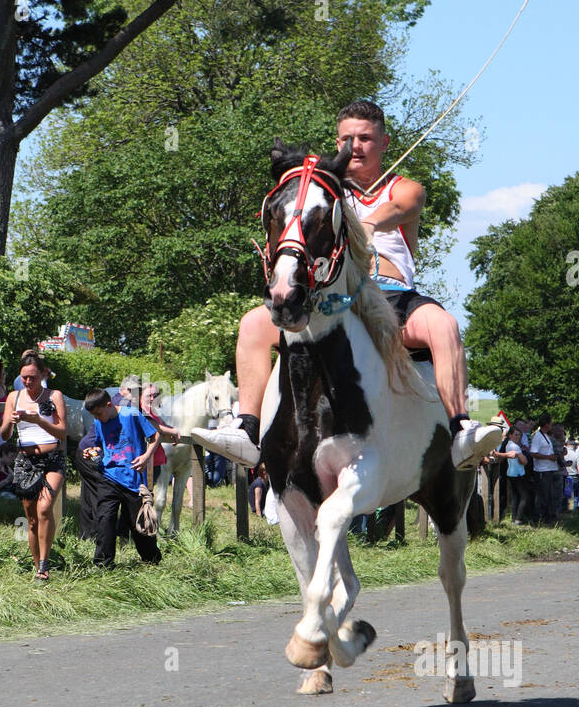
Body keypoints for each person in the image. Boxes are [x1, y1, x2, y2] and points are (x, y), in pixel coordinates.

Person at [190, 99, 502, 471]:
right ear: (336, 142)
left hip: (390, 296)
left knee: (444, 325)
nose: (355, 146)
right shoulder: (324, 188)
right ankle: (246, 429)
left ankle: (460, 428)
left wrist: (368, 223)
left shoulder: (405, 188)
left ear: (384, 143)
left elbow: (401, 208)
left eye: (366, 138)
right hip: (332, 297)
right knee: (253, 324)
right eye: (347, 139)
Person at [1, 353, 67, 580]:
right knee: (31, 519)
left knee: (45, 509)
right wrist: (11, 421)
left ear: (43, 374)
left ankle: (44, 566)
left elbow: (63, 433)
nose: (28, 382)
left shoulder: (54, 395)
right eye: (24, 378)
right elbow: (4, 434)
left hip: (52, 459)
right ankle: (36, 563)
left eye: (33, 378)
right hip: (25, 461)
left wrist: (38, 420)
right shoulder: (14, 397)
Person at [85, 388, 162, 568]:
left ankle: (152, 561)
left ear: (109, 405)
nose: (97, 418)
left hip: (133, 479)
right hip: (108, 476)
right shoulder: (98, 423)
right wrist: (92, 452)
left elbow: (156, 435)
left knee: (139, 524)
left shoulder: (131, 415)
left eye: (98, 413)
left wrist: (146, 457)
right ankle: (103, 565)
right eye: (94, 416)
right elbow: (98, 446)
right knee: (105, 518)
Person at [528, 414, 561, 525]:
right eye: (551, 423)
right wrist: (549, 457)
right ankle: (537, 519)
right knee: (542, 496)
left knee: (549, 495)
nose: (552, 425)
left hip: (549, 469)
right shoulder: (538, 437)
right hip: (542, 470)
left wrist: (554, 455)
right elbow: (533, 453)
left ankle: (547, 518)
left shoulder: (545, 436)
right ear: (547, 424)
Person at [497, 422, 530, 524]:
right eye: (516, 434)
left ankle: (513, 518)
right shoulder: (514, 447)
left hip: (511, 473)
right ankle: (518, 518)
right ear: (510, 435)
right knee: (524, 497)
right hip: (518, 474)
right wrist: (521, 456)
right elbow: (524, 461)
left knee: (516, 496)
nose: (518, 437)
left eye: (519, 435)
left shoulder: (508, 444)